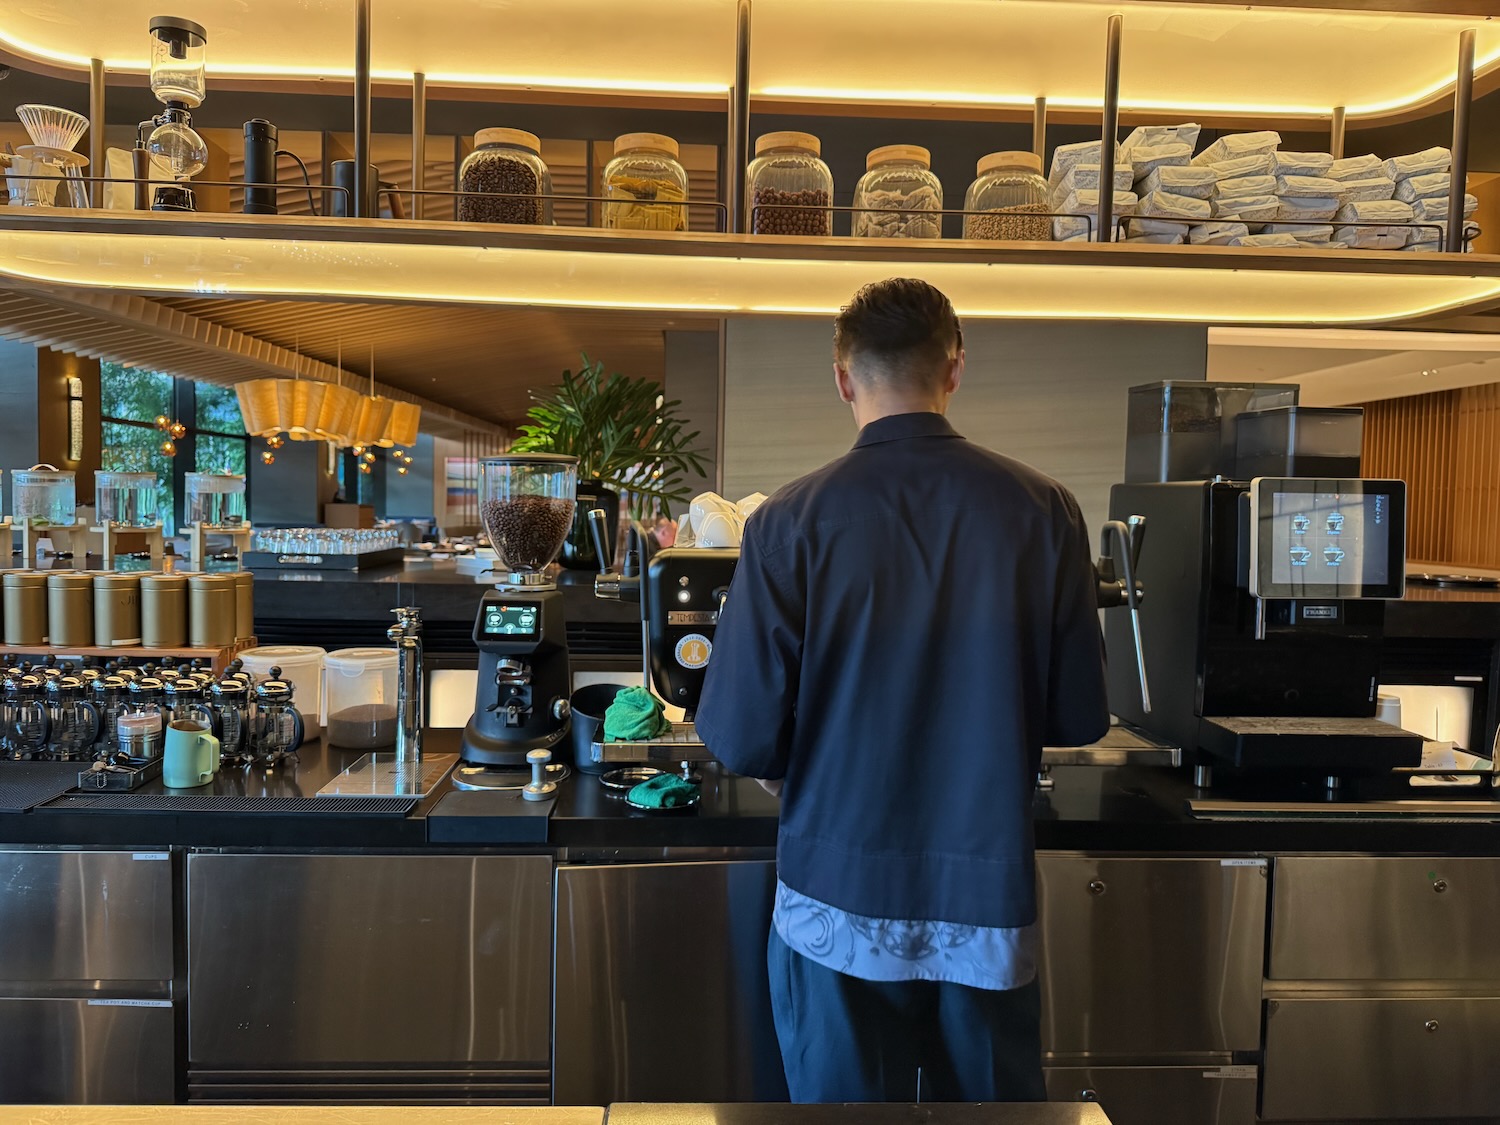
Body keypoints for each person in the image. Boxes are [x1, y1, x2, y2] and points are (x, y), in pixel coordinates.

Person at [695, 278, 1109, 1104]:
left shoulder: (786, 522)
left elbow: (740, 737)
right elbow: (1077, 715)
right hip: (984, 899)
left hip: (835, 899)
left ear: (843, 378)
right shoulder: (1047, 511)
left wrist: (787, 765)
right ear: (954, 369)